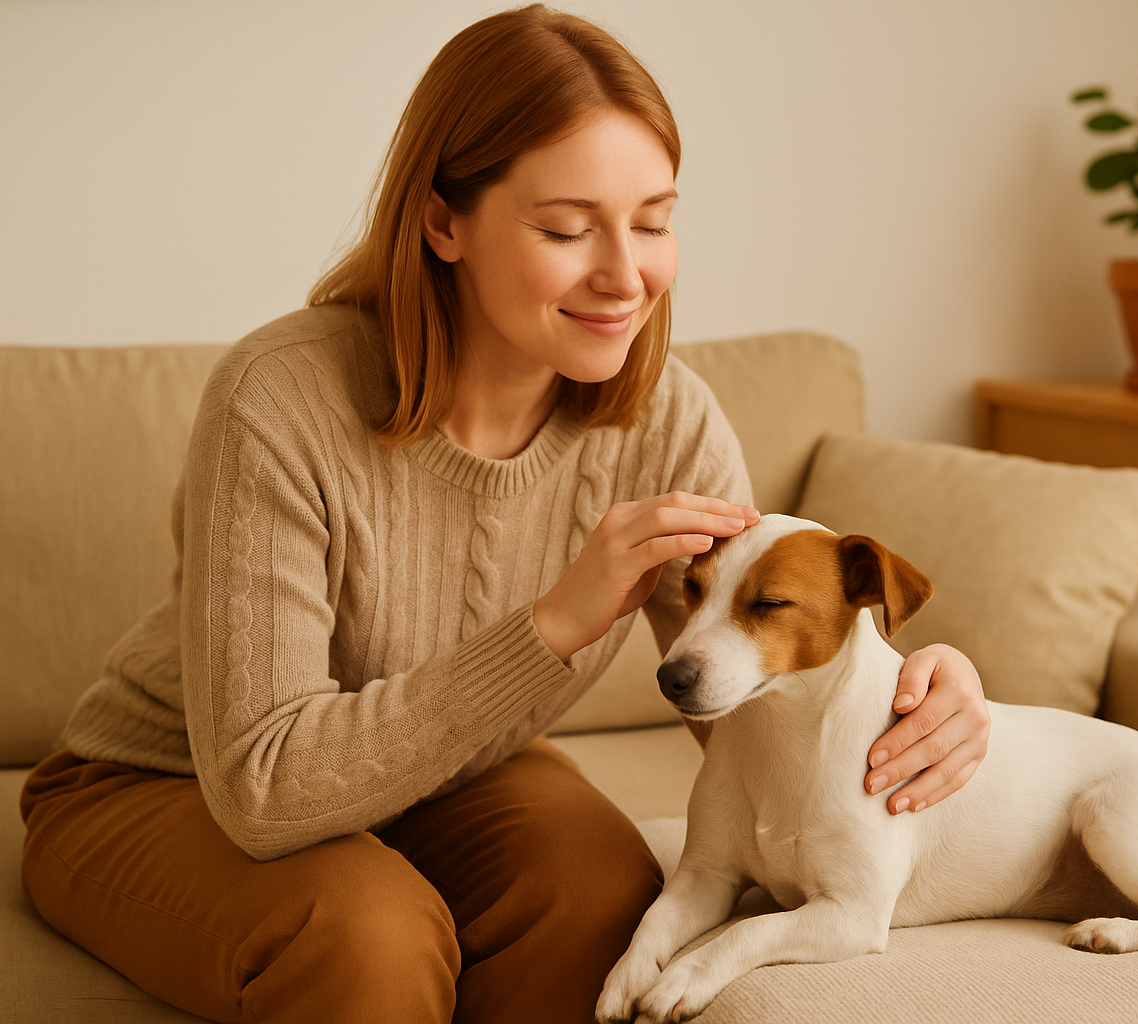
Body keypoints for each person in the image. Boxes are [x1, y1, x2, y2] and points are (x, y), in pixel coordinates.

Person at [19, 6, 991, 1022]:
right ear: (444, 222)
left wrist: (915, 691)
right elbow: (264, 790)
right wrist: (550, 627)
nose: (628, 276)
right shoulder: (278, 401)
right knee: (368, 937)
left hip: (454, 776)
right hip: (171, 780)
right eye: (568, 229)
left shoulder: (667, 419)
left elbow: (747, 692)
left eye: (655, 220)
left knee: (605, 896)